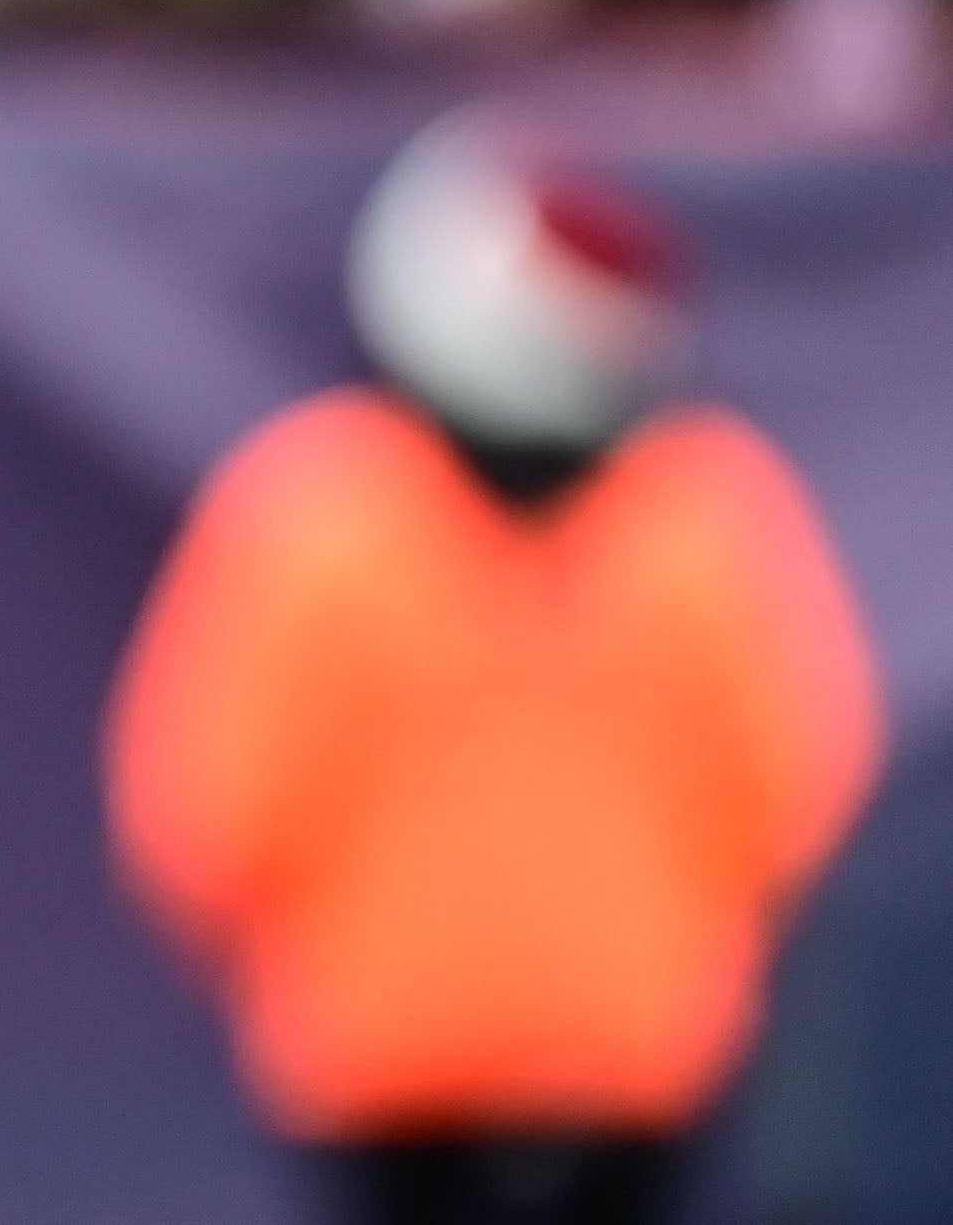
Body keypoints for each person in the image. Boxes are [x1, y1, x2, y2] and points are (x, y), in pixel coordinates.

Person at [107, 119, 879, 1225]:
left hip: (405, 1062)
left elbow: (203, 818)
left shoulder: (312, 515)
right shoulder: (704, 517)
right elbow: (792, 791)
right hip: (606, 1059)